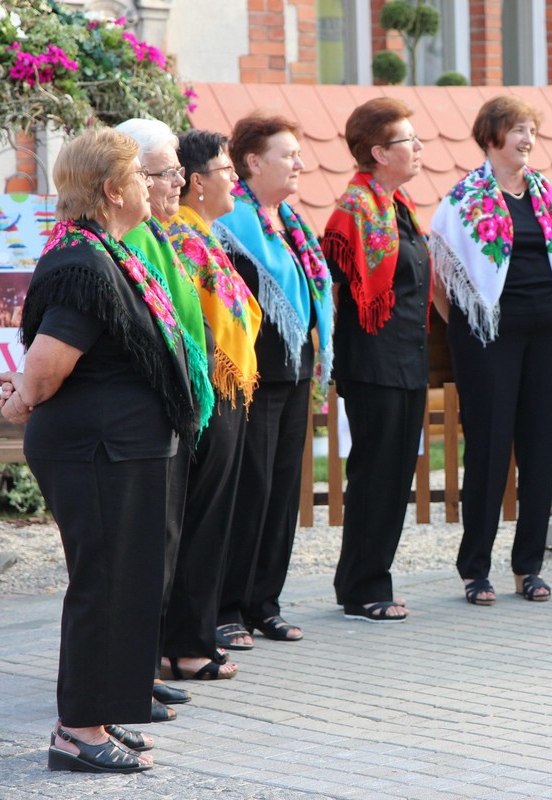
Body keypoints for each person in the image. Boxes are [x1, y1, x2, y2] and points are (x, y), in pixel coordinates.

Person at [0, 128, 202, 772]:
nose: (152, 184)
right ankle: (76, 731)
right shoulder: (82, 263)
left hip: (122, 446)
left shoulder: (106, 251)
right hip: (96, 450)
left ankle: (102, 711)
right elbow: (51, 364)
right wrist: (23, 395)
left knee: (129, 582)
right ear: (113, 190)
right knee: (104, 583)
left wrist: (28, 386)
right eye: (141, 175)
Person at [430, 95, 552, 605]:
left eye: (531, 130)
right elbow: (442, 279)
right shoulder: (462, 200)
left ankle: (528, 568)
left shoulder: (550, 195)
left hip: (549, 336)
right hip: (489, 338)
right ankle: (475, 570)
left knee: (539, 451)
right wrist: (472, 328)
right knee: (490, 451)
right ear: (492, 136)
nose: (527, 139)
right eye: (518, 129)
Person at [116, 119, 231, 700]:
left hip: (178, 409)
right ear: (129, 179)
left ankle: (146, 666)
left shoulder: (159, 235)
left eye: (178, 173)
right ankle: (137, 669)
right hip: (146, 417)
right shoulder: (128, 242)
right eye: (165, 174)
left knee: (165, 541)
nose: (178, 184)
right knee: (147, 548)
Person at [214, 113, 333, 641]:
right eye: (288, 154)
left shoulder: (292, 224)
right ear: (253, 162)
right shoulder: (231, 221)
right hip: (254, 375)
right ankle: (228, 608)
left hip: (295, 372)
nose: (299, 163)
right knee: (252, 490)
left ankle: (266, 601)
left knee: (284, 491)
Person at [322, 98, 429, 623]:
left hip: (407, 360)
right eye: (408, 141)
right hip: (373, 363)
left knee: (395, 477)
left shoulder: (398, 206)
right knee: (375, 475)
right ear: (379, 152)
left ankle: (371, 580)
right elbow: (339, 289)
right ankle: (363, 589)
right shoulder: (354, 210)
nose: (418, 148)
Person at [165, 129, 264, 658]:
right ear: (197, 182)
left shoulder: (202, 233)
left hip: (224, 391)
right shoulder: (182, 236)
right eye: (227, 170)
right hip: (208, 393)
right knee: (199, 521)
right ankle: (187, 643)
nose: (235, 180)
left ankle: (191, 637)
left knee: (210, 520)